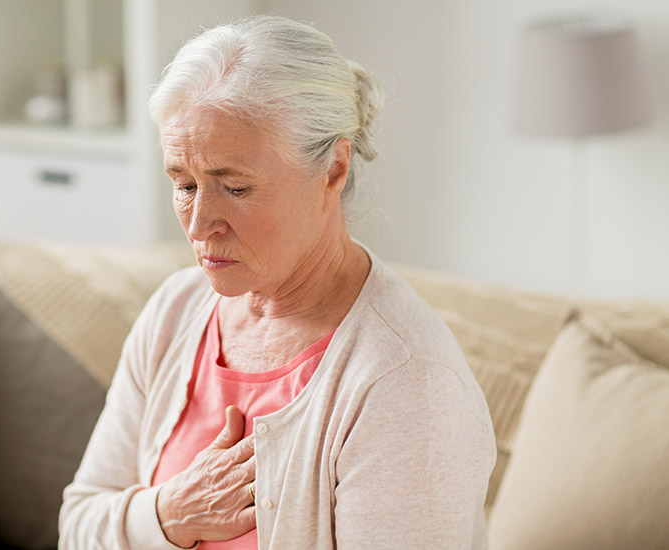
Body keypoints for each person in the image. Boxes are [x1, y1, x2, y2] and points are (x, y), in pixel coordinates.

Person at [58, 15, 496, 550]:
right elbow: (77, 525)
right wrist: (170, 514)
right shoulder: (174, 311)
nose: (199, 225)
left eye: (236, 188)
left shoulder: (405, 382)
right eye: (184, 184)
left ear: (333, 170)